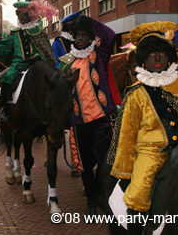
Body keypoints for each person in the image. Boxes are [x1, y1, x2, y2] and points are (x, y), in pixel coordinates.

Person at [109, 21, 178, 234]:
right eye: (151, 54)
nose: (157, 58)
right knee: (138, 193)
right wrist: (123, 171)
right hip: (149, 153)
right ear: (143, 59)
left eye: (162, 54)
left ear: (169, 57)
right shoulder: (136, 93)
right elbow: (126, 135)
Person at [58, 15, 117, 217]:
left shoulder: (99, 53)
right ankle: (91, 200)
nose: (81, 38)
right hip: (79, 121)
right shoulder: (66, 61)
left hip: (101, 119)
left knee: (105, 161)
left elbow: (110, 35)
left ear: (91, 36)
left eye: (84, 34)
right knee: (84, 164)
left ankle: (104, 197)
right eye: (78, 35)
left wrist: (89, 22)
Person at [0, 0, 58, 121]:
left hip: (36, 61)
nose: (20, 17)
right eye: (18, 15)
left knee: (51, 79)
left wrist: (39, 59)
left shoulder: (38, 31)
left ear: (30, 15)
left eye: (23, 14)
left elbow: (44, 49)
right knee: (6, 78)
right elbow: (5, 45)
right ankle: (3, 109)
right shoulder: (15, 33)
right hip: (18, 63)